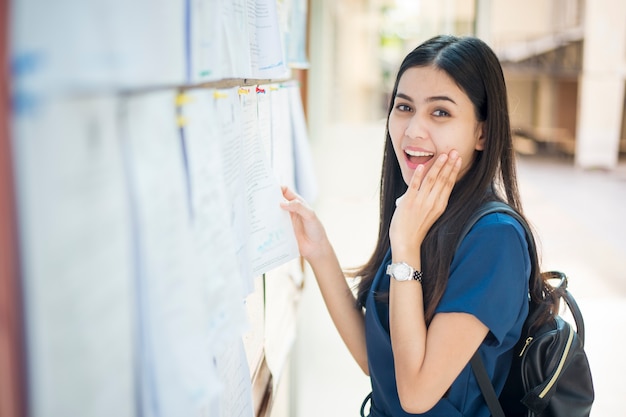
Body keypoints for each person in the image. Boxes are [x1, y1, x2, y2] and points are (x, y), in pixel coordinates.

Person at [280, 34, 553, 417]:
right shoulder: (423, 213)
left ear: (482, 132)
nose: (412, 131)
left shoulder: (494, 239)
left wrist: (406, 245)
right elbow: (380, 367)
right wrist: (319, 252)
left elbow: (415, 394)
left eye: (440, 112)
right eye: (404, 107)